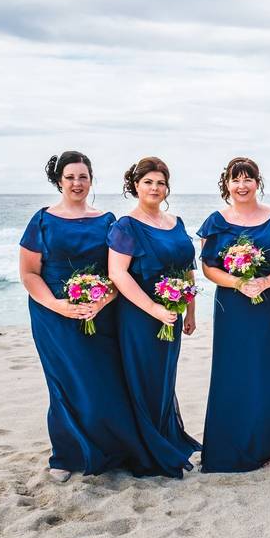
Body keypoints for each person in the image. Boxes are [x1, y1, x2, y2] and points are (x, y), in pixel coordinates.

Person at [19, 151, 187, 481]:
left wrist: (102, 301)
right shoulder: (42, 220)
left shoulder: (106, 220)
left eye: (83, 177)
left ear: (91, 180)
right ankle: (66, 456)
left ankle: (112, 450)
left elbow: (117, 272)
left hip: (103, 311)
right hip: (54, 316)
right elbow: (28, 274)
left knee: (105, 384)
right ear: (59, 181)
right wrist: (59, 306)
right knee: (66, 382)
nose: (77, 183)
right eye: (70, 177)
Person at [107, 157, 200, 477]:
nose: (155, 188)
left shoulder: (177, 222)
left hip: (172, 316)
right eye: (148, 182)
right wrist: (154, 309)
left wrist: (189, 311)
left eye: (160, 183)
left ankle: (164, 437)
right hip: (139, 316)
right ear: (135, 186)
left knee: (164, 378)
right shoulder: (125, 226)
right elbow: (118, 274)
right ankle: (147, 450)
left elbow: (187, 269)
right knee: (143, 378)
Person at [197, 157, 270, 472]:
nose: (241, 185)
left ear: (257, 182)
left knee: (268, 370)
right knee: (232, 371)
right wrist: (239, 282)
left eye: (247, 179)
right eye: (235, 180)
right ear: (227, 184)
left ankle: (268, 442)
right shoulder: (217, 220)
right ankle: (230, 442)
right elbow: (207, 267)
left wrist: (264, 281)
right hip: (232, 306)